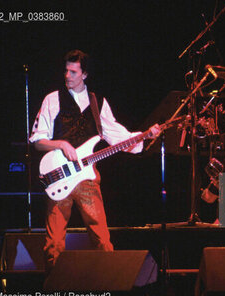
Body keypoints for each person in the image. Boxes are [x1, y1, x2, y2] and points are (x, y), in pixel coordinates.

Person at [29, 49, 160, 275]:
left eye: (73, 71)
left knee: (101, 238)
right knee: (54, 244)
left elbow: (117, 135)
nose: (67, 76)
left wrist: (144, 135)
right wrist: (61, 144)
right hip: (59, 177)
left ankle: (109, 294)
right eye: (66, 71)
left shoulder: (97, 102)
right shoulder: (52, 99)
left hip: (87, 179)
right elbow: (37, 140)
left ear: (85, 74)